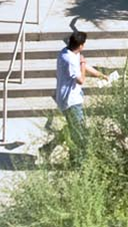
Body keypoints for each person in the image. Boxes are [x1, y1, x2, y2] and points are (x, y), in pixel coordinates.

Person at [43, 30, 109, 161]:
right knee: (78, 133)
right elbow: (81, 79)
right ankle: (77, 160)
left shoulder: (66, 52)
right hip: (70, 100)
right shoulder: (70, 60)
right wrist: (83, 64)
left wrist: (101, 75)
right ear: (80, 46)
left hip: (68, 98)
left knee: (73, 127)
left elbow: (85, 66)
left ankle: (47, 149)